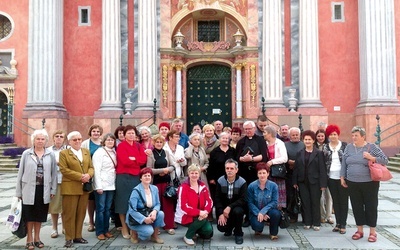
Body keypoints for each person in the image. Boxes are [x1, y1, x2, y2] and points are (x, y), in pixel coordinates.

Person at [340, 126, 388, 243]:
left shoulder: (371, 147)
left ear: (363, 136)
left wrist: (371, 157)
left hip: (369, 183)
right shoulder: (349, 148)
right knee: (357, 206)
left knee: (371, 206)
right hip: (352, 182)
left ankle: (372, 232)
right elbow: (344, 163)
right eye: (352, 135)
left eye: (356, 135)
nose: (353, 138)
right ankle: (359, 230)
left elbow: (385, 160)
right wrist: (342, 177)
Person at [16, 129, 57, 250]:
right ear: (33, 140)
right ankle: (29, 239)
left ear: (46, 141)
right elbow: (20, 173)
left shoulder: (50, 154)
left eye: (42, 139)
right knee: (29, 215)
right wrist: (18, 192)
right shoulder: (26, 154)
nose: (40, 141)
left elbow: (54, 173)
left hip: (43, 189)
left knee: (39, 215)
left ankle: (37, 238)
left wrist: (53, 190)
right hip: (28, 189)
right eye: (38, 139)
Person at [59, 131, 94, 248]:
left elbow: (91, 167)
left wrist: (88, 175)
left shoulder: (86, 152)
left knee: (81, 213)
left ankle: (78, 235)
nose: (78, 141)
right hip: (70, 187)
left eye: (79, 139)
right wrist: (81, 177)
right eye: (75, 140)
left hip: (84, 188)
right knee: (69, 213)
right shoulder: (64, 153)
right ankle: (69, 237)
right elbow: (64, 170)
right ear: (70, 141)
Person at [115, 125, 147, 240]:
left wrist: (133, 159)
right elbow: (124, 161)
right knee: (122, 202)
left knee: (134, 202)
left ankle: (133, 227)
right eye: (128, 133)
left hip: (135, 177)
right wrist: (135, 160)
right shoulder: (121, 146)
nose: (131, 135)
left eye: (133, 133)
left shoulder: (139, 146)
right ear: (124, 135)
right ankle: (124, 227)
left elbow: (143, 160)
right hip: (123, 177)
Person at [293, 130, 327, 231]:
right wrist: (295, 182)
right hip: (302, 181)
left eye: (309, 139)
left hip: (315, 182)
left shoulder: (319, 153)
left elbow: (322, 169)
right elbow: (296, 168)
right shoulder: (299, 153)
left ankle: (316, 223)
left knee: (315, 202)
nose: (307, 141)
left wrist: (323, 184)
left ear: (313, 141)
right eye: (305, 139)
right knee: (305, 202)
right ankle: (307, 222)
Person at [175, 164, 213, 246]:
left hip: (201, 215)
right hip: (186, 216)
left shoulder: (202, 186)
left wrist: (206, 212)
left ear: (199, 174)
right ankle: (188, 236)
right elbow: (183, 207)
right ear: (188, 174)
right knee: (201, 221)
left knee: (208, 232)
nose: (194, 175)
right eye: (192, 173)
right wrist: (199, 213)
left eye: (196, 173)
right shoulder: (183, 187)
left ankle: (194, 229)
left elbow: (209, 201)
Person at [146, 134, 176, 235]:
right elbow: (149, 169)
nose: (159, 144)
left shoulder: (166, 152)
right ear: (153, 143)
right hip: (155, 183)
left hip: (167, 182)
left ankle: (169, 226)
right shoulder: (150, 154)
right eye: (157, 142)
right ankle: (156, 228)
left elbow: (173, 165)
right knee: (155, 206)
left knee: (168, 205)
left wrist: (168, 170)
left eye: (161, 142)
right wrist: (161, 171)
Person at [126, 168, 165, 244]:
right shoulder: (136, 191)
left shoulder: (154, 188)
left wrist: (154, 211)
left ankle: (155, 236)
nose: (147, 177)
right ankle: (134, 233)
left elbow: (158, 204)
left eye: (149, 175)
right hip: (136, 217)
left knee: (160, 214)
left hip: (149, 213)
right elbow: (132, 210)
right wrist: (144, 219)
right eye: (145, 176)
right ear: (141, 178)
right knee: (148, 231)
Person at [322, 124, 348, 234]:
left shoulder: (344, 146)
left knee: (343, 201)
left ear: (338, 135)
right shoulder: (325, 147)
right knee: (335, 201)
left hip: (343, 177)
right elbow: (323, 163)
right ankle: (338, 223)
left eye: (335, 134)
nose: (333, 136)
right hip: (331, 177)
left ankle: (343, 224)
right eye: (331, 134)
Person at [215, 159, 247, 245]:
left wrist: (230, 207)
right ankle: (229, 228)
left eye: (232, 168)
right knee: (221, 227)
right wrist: (221, 213)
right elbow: (217, 198)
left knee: (238, 211)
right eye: (227, 168)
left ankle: (238, 233)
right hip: (223, 209)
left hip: (236, 207)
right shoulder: (220, 180)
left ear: (236, 170)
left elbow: (243, 199)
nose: (229, 170)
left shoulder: (242, 182)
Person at [92, 133, 117, 240]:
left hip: (111, 185)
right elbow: (96, 170)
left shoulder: (114, 152)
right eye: (108, 140)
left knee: (107, 209)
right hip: (101, 184)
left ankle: (106, 230)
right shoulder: (99, 152)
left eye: (112, 140)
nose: (110, 142)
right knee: (100, 209)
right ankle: (99, 231)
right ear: (104, 141)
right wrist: (98, 186)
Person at [247, 162, 281, 240]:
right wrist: (259, 213)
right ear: (257, 174)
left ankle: (273, 233)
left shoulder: (274, 186)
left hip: (269, 211)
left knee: (276, 214)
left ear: (268, 174)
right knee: (257, 225)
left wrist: (263, 212)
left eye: (264, 173)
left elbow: (274, 202)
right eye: (260, 173)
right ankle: (258, 230)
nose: (262, 175)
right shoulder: (251, 186)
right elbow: (250, 203)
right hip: (256, 212)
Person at [81, 124, 103, 232]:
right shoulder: (85, 143)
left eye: (98, 131)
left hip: (101, 175)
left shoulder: (103, 143)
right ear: (90, 132)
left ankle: (101, 221)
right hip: (89, 173)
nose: (96, 133)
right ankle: (91, 222)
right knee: (90, 200)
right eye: (94, 131)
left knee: (100, 199)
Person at [47, 130, 67, 239]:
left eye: (61, 136)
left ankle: (64, 227)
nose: (59, 138)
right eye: (57, 136)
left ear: (64, 139)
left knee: (65, 206)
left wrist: (60, 163)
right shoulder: (48, 151)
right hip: (53, 181)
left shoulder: (68, 150)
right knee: (54, 206)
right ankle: (54, 228)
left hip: (66, 180)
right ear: (53, 138)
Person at [263, 125, 288, 209]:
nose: (263, 134)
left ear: (270, 133)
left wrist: (272, 162)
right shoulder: (264, 143)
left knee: (278, 194)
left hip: (277, 172)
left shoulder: (280, 143)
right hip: (267, 172)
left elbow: (284, 158)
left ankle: (278, 215)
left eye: (265, 132)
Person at [209, 132, 236, 202]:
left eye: (227, 138)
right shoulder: (214, 152)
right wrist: (211, 178)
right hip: (217, 178)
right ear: (219, 139)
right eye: (223, 138)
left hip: (231, 178)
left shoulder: (233, 151)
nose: (225, 140)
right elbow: (211, 166)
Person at [285, 127, 304, 223]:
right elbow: (284, 156)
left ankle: (305, 216)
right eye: (293, 135)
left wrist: (295, 163)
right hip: (289, 173)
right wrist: (288, 162)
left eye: (297, 134)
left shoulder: (304, 144)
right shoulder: (285, 145)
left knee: (303, 195)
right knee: (291, 195)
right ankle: (292, 215)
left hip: (302, 174)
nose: (295, 136)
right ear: (289, 136)